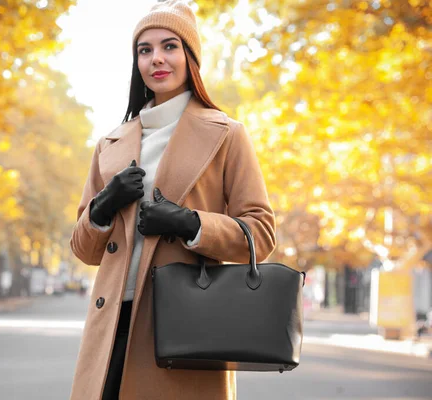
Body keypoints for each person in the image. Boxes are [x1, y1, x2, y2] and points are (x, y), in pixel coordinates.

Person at [69, 1, 276, 399]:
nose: (156, 59)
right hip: (111, 325)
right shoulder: (110, 143)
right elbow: (84, 249)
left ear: (189, 56)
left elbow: (262, 234)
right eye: (144, 50)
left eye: (169, 46)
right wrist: (103, 206)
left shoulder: (226, 134)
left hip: (184, 322)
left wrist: (189, 223)